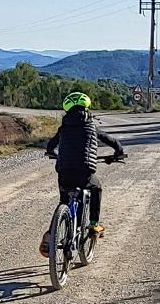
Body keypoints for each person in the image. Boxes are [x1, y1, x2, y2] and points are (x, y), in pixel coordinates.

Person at [39, 92, 125, 257]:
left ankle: (51, 235)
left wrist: (52, 153)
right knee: (97, 187)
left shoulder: (63, 129)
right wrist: (118, 154)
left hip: (63, 172)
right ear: (87, 109)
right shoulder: (91, 126)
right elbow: (112, 142)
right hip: (84, 172)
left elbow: (50, 145)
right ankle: (93, 225)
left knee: (64, 200)